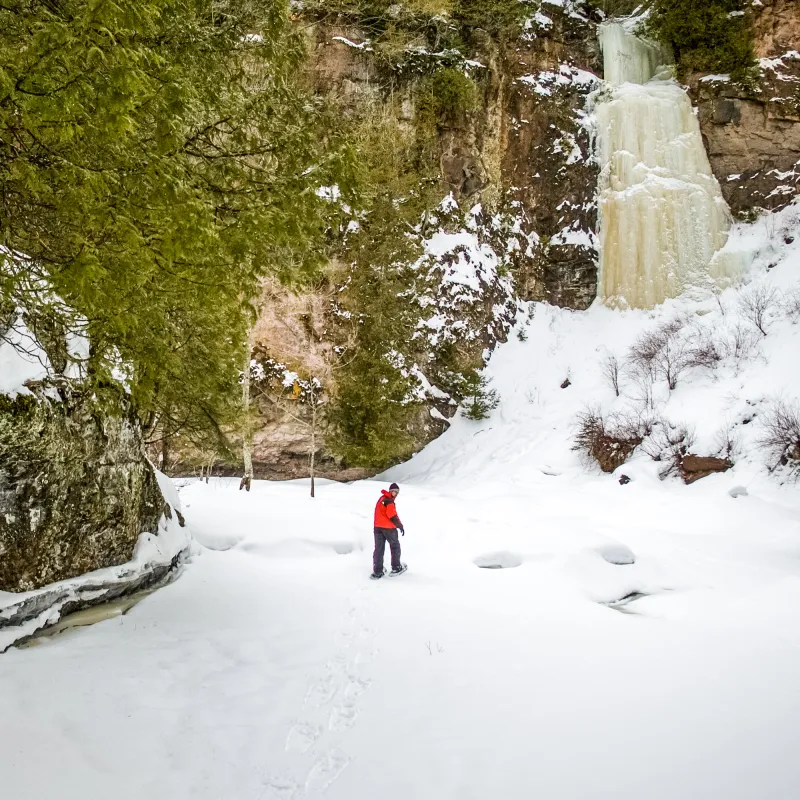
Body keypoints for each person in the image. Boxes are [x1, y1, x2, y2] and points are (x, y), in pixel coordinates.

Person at [372, 482, 405, 578]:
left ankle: (378, 571)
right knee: (395, 546)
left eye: (397, 492)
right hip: (389, 528)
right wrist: (400, 525)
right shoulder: (389, 501)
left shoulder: (382, 498)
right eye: (394, 491)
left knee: (379, 549)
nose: (395, 493)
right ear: (390, 491)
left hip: (377, 527)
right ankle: (396, 567)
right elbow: (392, 515)